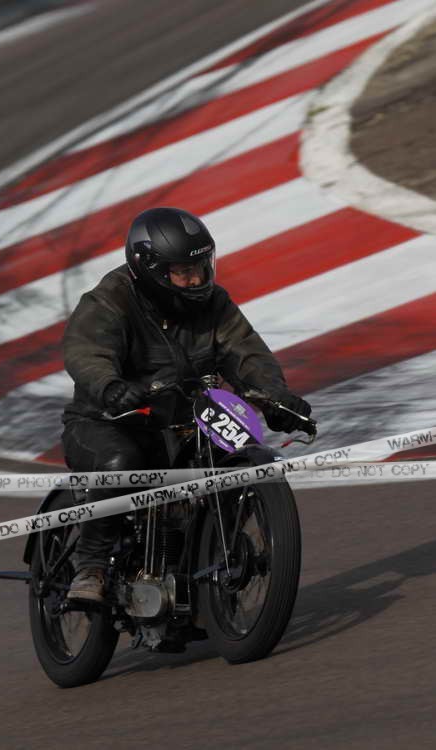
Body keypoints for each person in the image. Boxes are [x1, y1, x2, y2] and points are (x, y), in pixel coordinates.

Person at [61, 207, 311, 603]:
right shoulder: (110, 299)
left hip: (184, 419)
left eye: (200, 266)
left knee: (236, 450)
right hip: (108, 420)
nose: (196, 278)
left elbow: (247, 354)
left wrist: (275, 398)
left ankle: (202, 563)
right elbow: (86, 351)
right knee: (120, 461)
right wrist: (111, 387)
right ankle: (90, 567)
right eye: (183, 271)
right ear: (151, 270)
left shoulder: (214, 303)